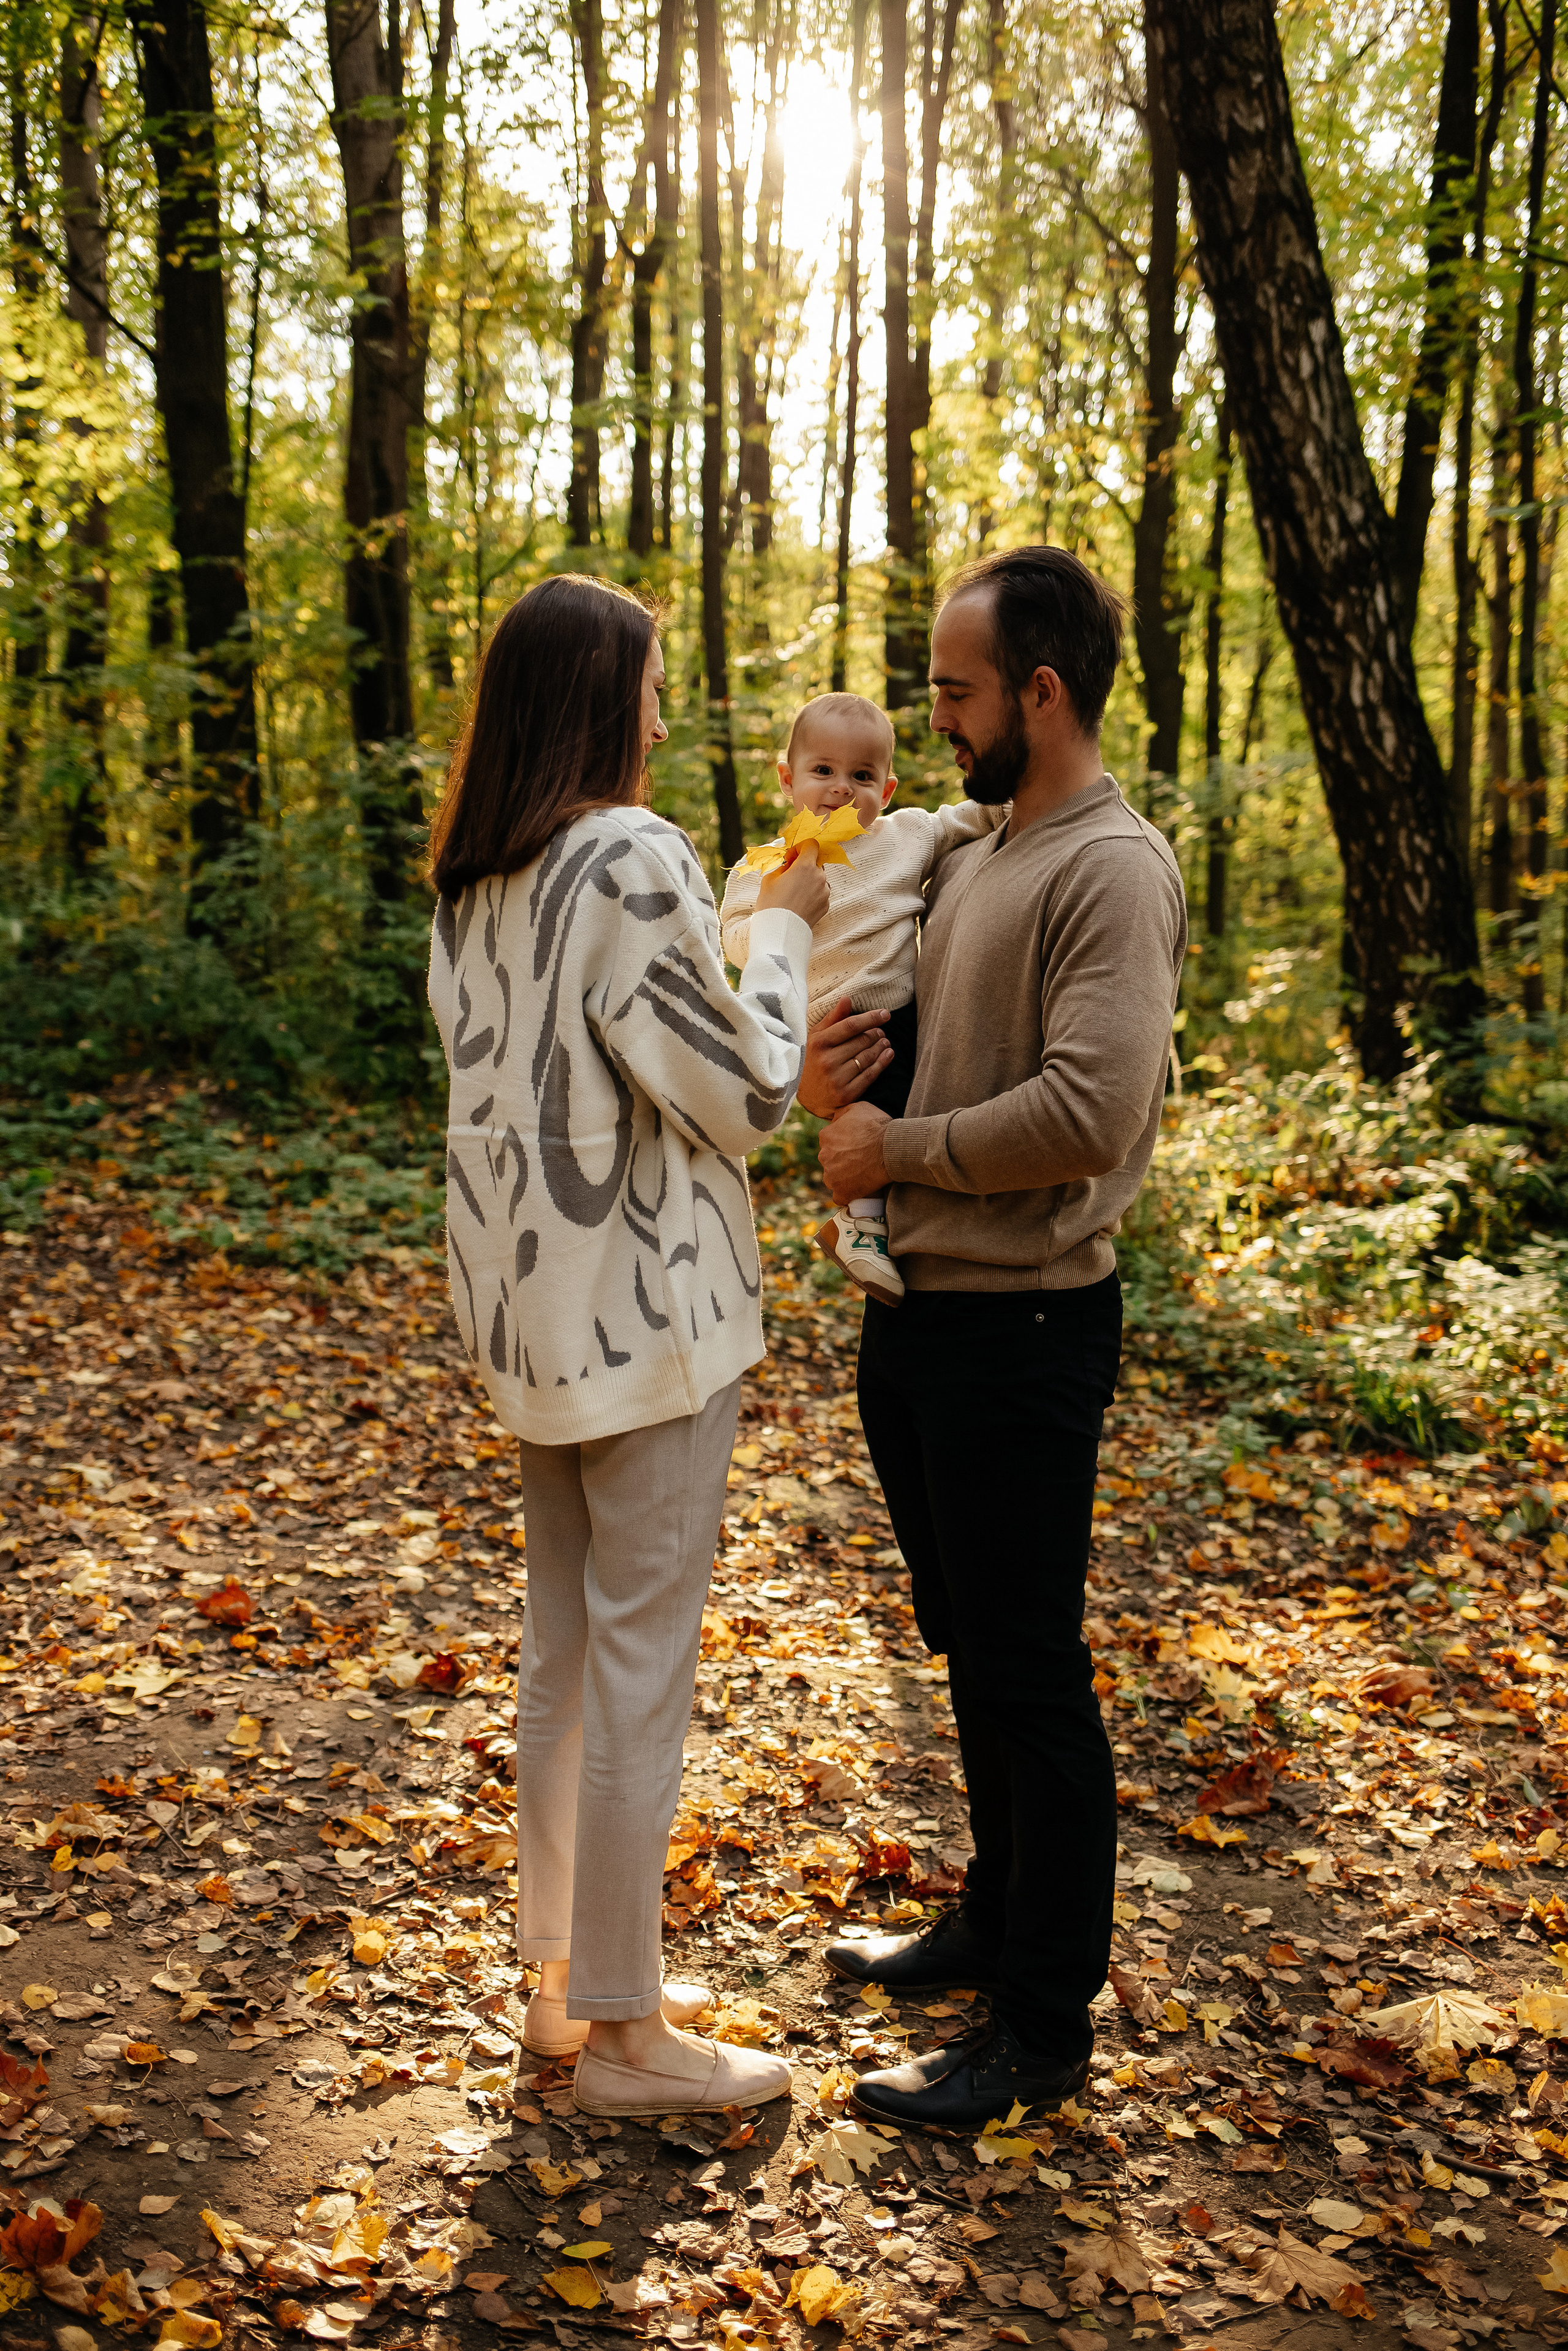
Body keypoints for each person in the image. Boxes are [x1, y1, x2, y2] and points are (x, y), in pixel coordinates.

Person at [427, 573, 830, 2119]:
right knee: (638, 1670)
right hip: (648, 1325)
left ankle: (556, 1986)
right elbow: (743, 1095)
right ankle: (626, 2038)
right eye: (653, 686)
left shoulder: (476, 879)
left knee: (567, 1660)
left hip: (533, 1326)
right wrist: (782, 942)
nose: (667, 715)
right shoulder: (628, 855)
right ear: (601, 696)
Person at [800, 546, 1188, 2130]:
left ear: (1041, 689)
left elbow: (1096, 1112)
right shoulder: (971, 848)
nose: (936, 717)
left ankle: (1042, 2022)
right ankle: (990, 1916)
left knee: (1031, 1669)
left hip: (1028, 1323)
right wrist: (841, 1079)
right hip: (921, 1319)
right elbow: (896, 1023)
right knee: (973, 1646)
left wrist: (904, 1153)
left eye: (957, 691)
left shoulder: (1111, 865)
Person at [718, 691, 1003, 1304]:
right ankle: (861, 1224)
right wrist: (775, 911)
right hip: (822, 1023)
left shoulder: (905, 837)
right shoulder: (764, 865)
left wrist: (1027, 794)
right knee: (866, 1114)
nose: (842, 788)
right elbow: (735, 939)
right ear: (788, 779)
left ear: (889, 789)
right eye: (823, 771)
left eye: (862, 776)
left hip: (900, 1013)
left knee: (903, 1114)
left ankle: (875, 1223)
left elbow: (972, 818)